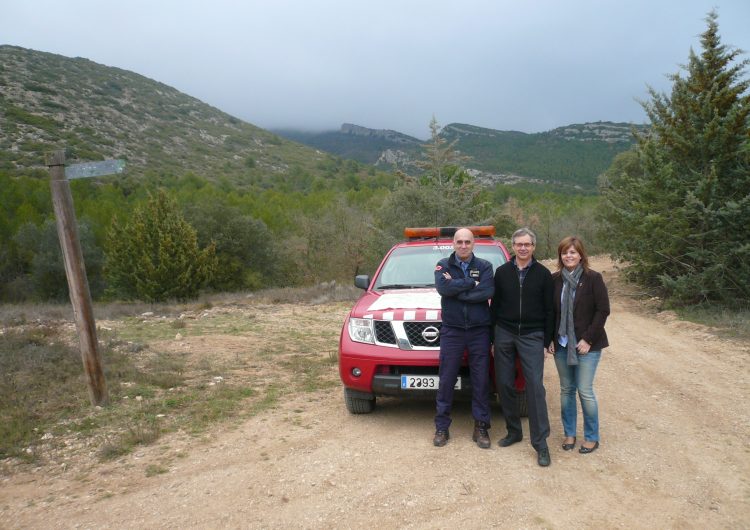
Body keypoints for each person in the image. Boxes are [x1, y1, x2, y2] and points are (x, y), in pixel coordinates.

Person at [490, 227, 554, 466]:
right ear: (513, 246)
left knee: (535, 387)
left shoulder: (543, 274)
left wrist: (547, 342)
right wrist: (492, 339)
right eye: (519, 244)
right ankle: (514, 431)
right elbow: (494, 307)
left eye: (527, 244)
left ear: (533, 247)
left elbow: (550, 310)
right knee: (504, 383)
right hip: (504, 333)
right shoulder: (502, 272)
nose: (523, 248)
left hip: (532, 336)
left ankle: (541, 443)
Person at [433, 227, 495, 449]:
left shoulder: (485, 266)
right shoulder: (443, 265)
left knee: (480, 380)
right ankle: (442, 426)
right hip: (453, 331)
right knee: (447, 379)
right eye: (459, 242)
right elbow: (442, 288)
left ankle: (481, 427)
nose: (463, 245)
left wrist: (456, 288)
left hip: (479, 330)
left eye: (467, 242)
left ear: (473, 244)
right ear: (453, 244)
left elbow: (487, 292)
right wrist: (470, 283)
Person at [549, 236, 610, 454]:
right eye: (565, 252)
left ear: (581, 255)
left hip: (587, 346)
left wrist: (588, 339)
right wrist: (551, 339)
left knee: (584, 391)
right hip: (562, 344)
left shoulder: (593, 279)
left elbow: (602, 310)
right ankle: (569, 433)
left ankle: (592, 437)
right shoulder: (555, 280)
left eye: (573, 252)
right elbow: (551, 313)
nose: (569, 256)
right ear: (560, 256)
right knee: (566, 390)